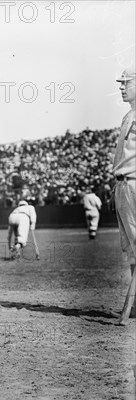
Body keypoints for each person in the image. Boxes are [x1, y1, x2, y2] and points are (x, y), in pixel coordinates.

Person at [114, 66, 136, 326]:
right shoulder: (128, 115)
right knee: (131, 250)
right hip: (121, 185)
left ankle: (127, 308)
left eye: (126, 83)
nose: (121, 87)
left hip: (133, 183)